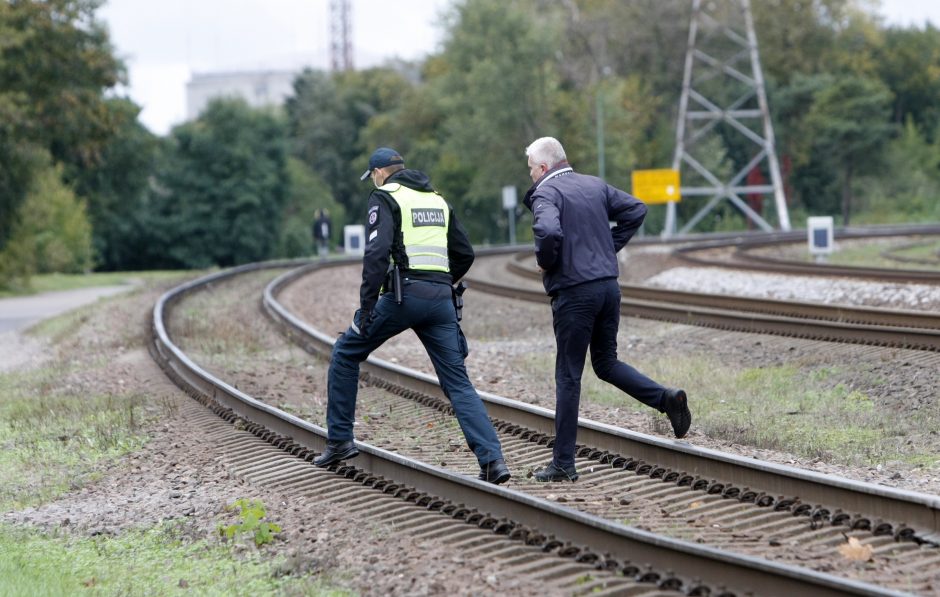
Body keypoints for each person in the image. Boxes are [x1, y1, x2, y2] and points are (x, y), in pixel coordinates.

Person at [314, 147, 511, 485]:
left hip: (404, 295)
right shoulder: (437, 200)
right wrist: (444, 281)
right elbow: (465, 253)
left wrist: (366, 308)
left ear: (378, 172)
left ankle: (339, 441)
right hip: (440, 300)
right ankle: (493, 461)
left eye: (373, 176)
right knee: (458, 383)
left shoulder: (385, 196)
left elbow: (376, 254)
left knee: (346, 353)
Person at [522, 136, 691, 483]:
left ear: (542, 168)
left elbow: (549, 231)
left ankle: (564, 464)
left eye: (530, 170)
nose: (531, 177)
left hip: (575, 292)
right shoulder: (593, 185)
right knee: (606, 362)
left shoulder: (546, 192)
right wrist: (605, 250)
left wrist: (547, 262)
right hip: (607, 287)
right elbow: (636, 209)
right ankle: (666, 399)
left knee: (569, 375)